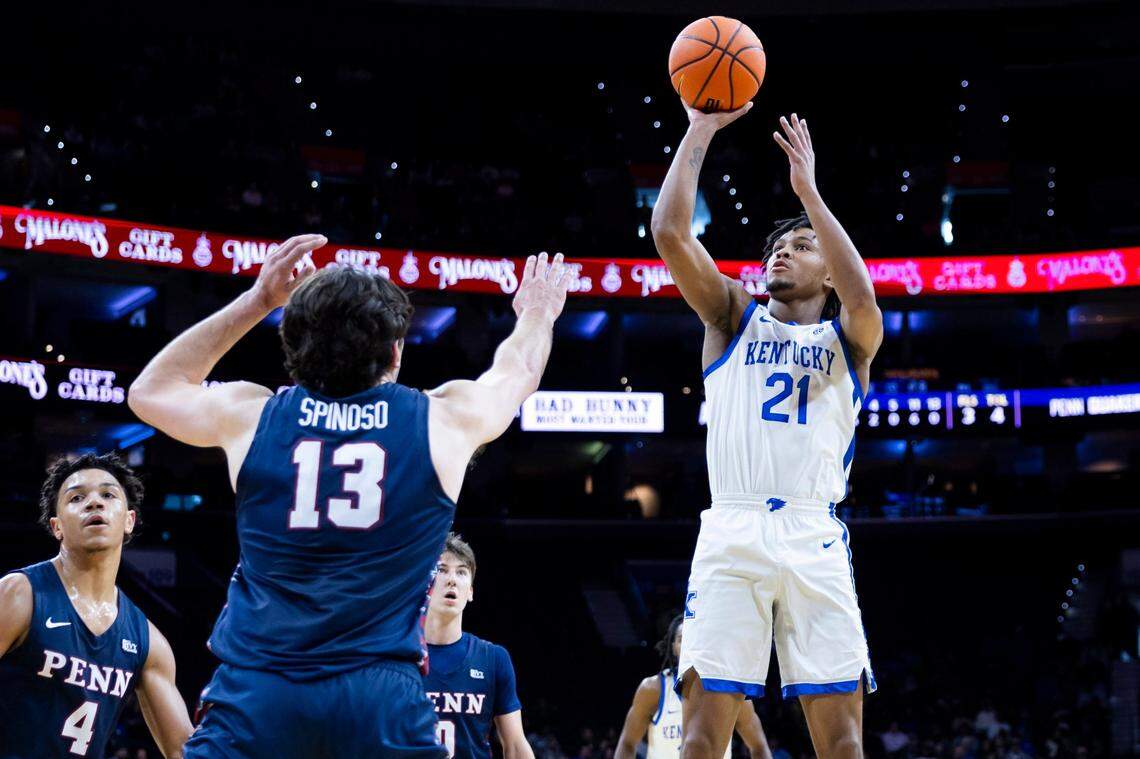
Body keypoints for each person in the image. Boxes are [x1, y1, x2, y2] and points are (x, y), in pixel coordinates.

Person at [127, 236, 569, 757]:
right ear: (396, 351)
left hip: (260, 690)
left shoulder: (251, 415)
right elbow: (518, 371)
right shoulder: (443, 419)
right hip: (379, 697)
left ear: (291, 345)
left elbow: (150, 391)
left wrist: (258, 300)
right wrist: (537, 315)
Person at [651, 104, 883, 759]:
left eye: (801, 245)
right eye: (777, 245)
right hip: (733, 529)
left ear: (828, 275)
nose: (783, 249)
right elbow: (669, 231)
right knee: (699, 737)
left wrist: (809, 193)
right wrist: (700, 125)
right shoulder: (731, 318)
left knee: (841, 740)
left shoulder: (851, 342)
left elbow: (864, 300)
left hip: (814, 531)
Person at [0, 453, 193, 758]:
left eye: (108, 494)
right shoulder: (18, 593)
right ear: (57, 526)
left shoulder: (148, 641)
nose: (94, 503)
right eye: (76, 498)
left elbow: (182, 750)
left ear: (129, 520)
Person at [423, 533, 534, 759]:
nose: (452, 579)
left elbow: (514, 745)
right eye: (442, 570)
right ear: (426, 584)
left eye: (461, 572)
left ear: (471, 591)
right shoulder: (399, 655)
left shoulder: (493, 658)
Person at [615, 615, 771, 759]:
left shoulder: (730, 690)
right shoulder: (653, 689)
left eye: (696, 639)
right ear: (673, 647)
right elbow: (627, 743)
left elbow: (759, 746)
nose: (690, 645)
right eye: (683, 639)